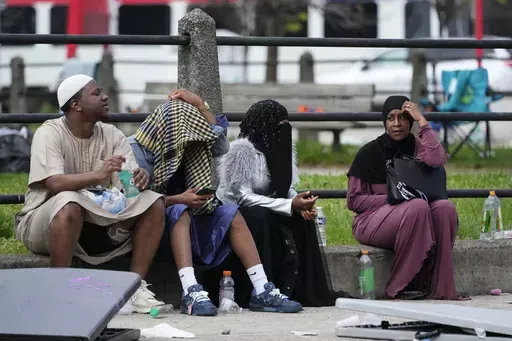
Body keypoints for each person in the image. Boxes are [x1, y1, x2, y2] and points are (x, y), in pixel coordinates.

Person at [129, 89, 303, 316]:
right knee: (180, 210)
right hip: (159, 220)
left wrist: (201, 106)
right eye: (187, 127)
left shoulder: (189, 144)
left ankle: (262, 288)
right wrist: (179, 199)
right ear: (170, 126)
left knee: (230, 212)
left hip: (194, 211)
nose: (192, 135)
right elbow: (132, 201)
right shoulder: (134, 149)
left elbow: (221, 146)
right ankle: (191, 291)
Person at [14, 74, 168, 313]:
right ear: (75, 105)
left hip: (95, 223)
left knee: (153, 202)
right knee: (69, 201)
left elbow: (127, 188)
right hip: (43, 223)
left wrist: (139, 181)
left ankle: (134, 288)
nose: (105, 97)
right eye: (96, 94)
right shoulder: (49, 133)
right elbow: (54, 183)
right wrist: (98, 174)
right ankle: (59, 291)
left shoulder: (113, 135)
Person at [215, 99, 353, 307]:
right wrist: (289, 205)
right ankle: (261, 290)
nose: (285, 128)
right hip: (236, 215)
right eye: (280, 124)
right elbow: (242, 197)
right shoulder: (241, 151)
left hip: (268, 207)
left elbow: (285, 186)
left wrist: (300, 202)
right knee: (261, 216)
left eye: (287, 122)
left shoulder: (280, 149)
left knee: (301, 219)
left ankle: (299, 290)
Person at [346, 95, 466, 301]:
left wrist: (422, 121)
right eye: (391, 118)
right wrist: (395, 198)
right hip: (371, 220)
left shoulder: (419, 147)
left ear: (409, 121)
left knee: (445, 208)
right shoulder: (369, 152)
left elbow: (437, 159)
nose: (396, 124)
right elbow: (354, 201)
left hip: (415, 215)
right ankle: (399, 287)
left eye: (402, 118)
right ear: (384, 122)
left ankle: (439, 288)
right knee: (417, 206)